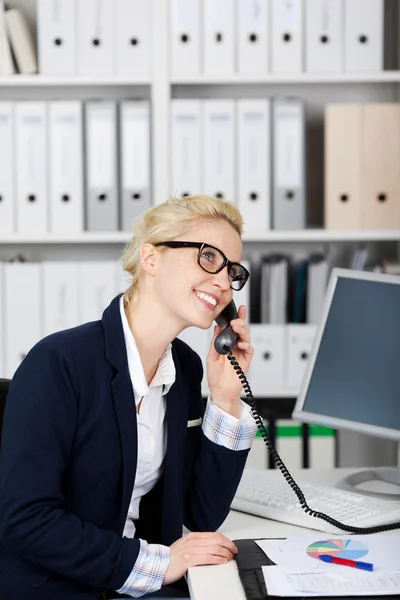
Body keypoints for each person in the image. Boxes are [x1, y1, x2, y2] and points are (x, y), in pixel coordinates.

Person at [0, 195, 257, 600]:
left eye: (233, 271)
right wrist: (156, 563)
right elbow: (26, 521)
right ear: (151, 258)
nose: (224, 283)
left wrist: (225, 400)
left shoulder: (186, 371)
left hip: (137, 584)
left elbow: (200, 515)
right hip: (57, 586)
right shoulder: (58, 363)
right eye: (209, 258)